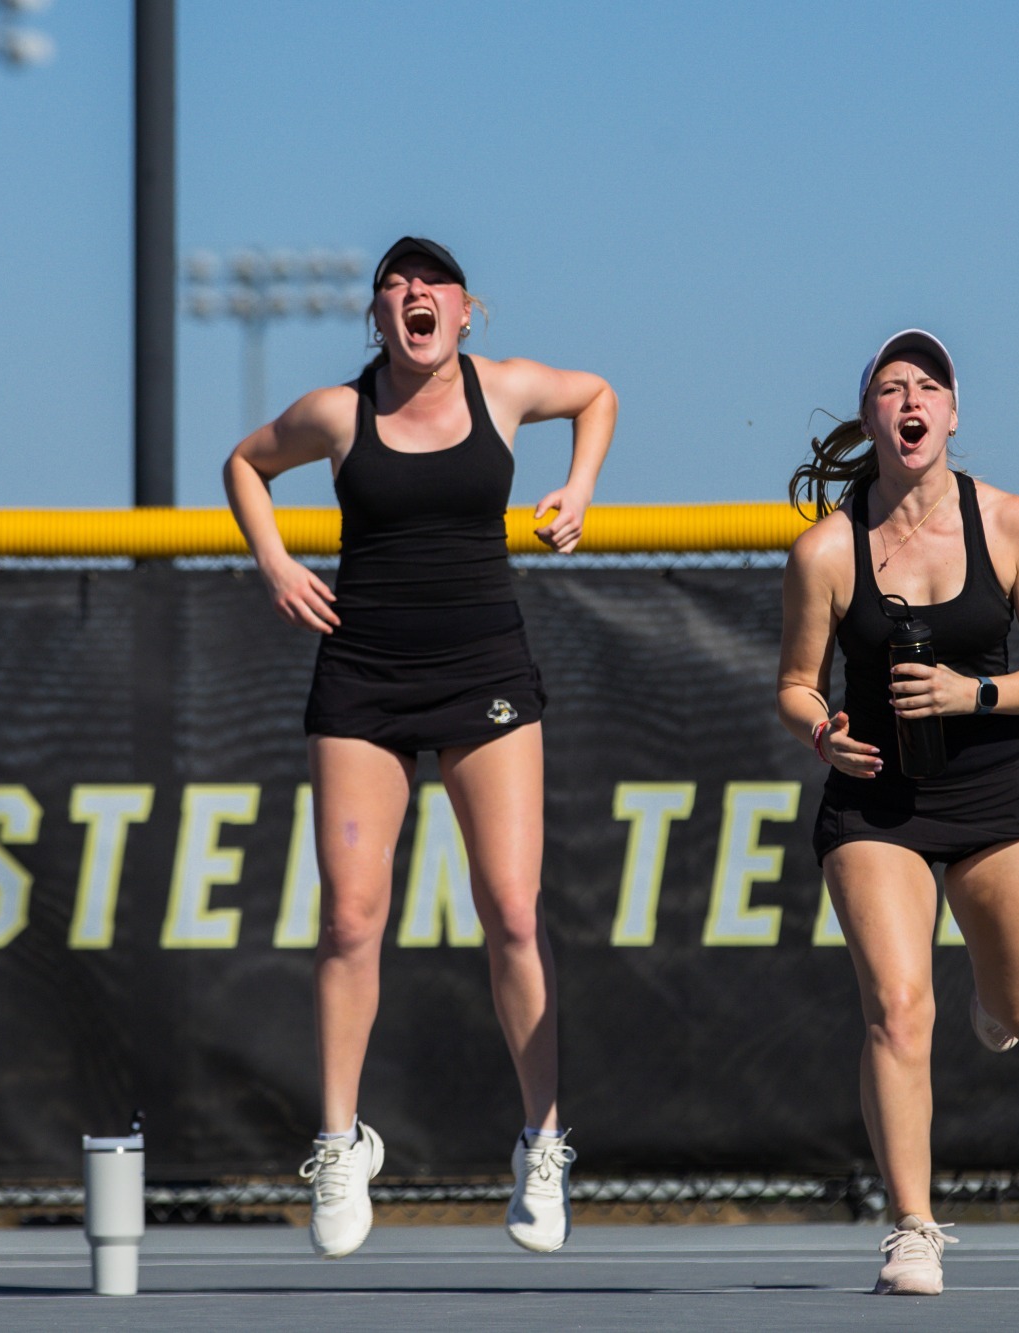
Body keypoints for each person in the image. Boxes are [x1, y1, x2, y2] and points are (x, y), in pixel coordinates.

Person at [223, 237, 616, 1259]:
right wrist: (273, 558)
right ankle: (341, 1140)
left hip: (484, 673)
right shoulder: (339, 413)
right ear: (377, 316)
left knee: (513, 912)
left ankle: (540, 1139)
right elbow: (244, 462)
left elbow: (598, 395)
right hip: (363, 680)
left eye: (430, 284)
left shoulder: (506, 389)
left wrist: (576, 490)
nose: (412, 297)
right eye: (393, 287)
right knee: (351, 918)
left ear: (466, 309)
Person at [776, 330, 1019, 1295]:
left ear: (952, 414)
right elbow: (792, 683)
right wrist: (823, 732)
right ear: (870, 417)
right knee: (900, 1010)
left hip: (994, 791)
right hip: (876, 804)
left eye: (928, 385)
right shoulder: (827, 549)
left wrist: (973, 694)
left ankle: (1000, 1003)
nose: (910, 400)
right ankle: (912, 1227)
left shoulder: (1016, 524)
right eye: (890, 387)